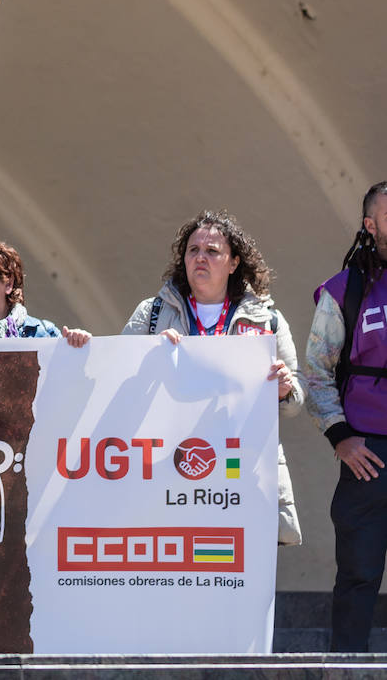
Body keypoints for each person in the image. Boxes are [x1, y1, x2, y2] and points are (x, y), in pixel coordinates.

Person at [121, 209, 303, 546]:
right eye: (193, 250)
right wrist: (150, 358)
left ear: (234, 262)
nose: (200, 258)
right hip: (167, 464)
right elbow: (119, 379)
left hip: (238, 467)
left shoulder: (267, 319)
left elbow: (296, 400)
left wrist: (284, 390)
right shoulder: (152, 313)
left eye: (212, 251)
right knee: (178, 565)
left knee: (236, 570)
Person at [303, 180, 387, 651]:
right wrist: (341, 437)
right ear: (369, 225)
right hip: (367, 457)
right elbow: (316, 371)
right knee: (358, 578)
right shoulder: (345, 289)